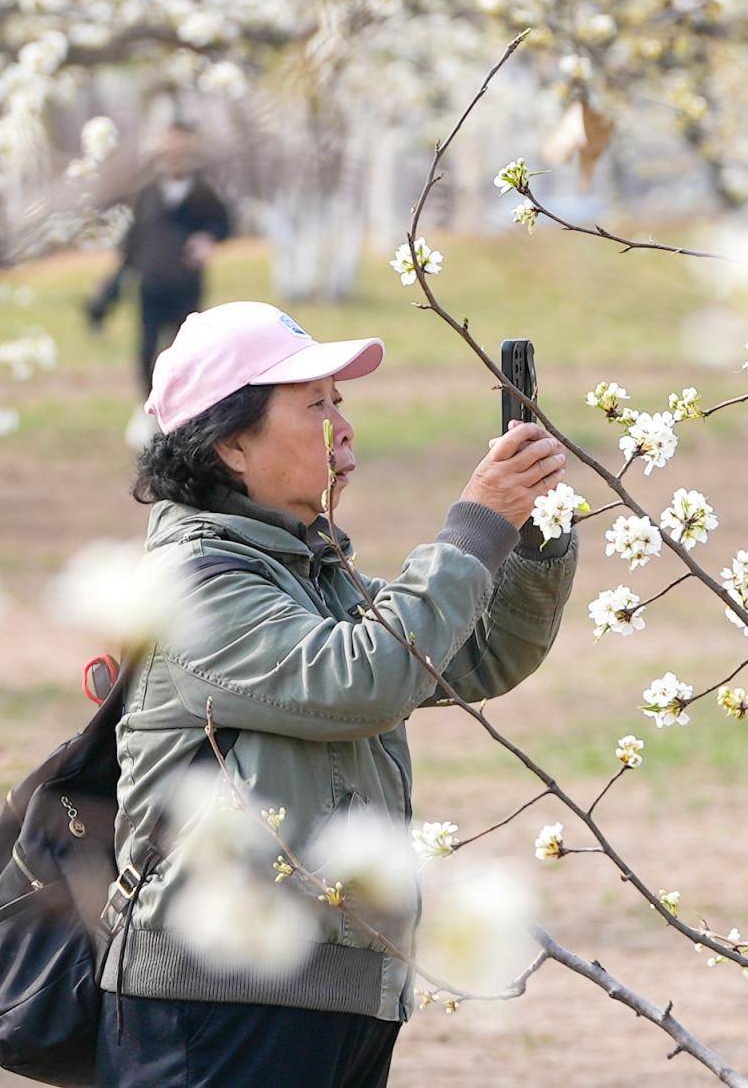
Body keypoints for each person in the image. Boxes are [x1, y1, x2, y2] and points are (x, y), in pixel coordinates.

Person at [99, 302, 574, 1087]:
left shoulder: (309, 578)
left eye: (340, 402)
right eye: (315, 404)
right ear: (230, 442)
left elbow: (482, 651)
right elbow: (367, 676)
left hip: (334, 991)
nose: (343, 426)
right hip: (216, 999)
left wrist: (532, 528)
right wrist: (475, 525)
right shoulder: (192, 584)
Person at [88, 124, 235, 393]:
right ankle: (149, 404)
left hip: (186, 284)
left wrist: (207, 239)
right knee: (147, 348)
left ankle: (188, 403)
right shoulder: (148, 192)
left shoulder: (203, 192)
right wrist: (115, 280)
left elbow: (223, 225)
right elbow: (134, 239)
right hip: (151, 284)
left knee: (188, 349)